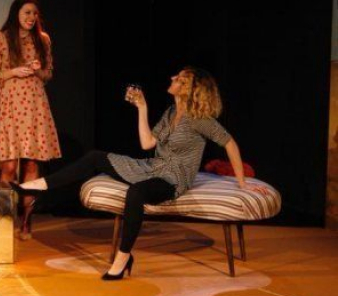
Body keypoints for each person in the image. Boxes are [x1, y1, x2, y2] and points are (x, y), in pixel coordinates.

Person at [14, 67, 269, 279]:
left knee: (136, 193)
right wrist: (142, 107)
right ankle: (40, 185)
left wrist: (242, 183)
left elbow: (230, 143)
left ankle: (123, 257)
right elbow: (147, 144)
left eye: (179, 79)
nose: (172, 78)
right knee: (95, 157)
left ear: (190, 89)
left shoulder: (199, 119)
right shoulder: (171, 113)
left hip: (174, 179)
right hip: (152, 166)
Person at [0, 0, 61, 240]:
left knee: (31, 164)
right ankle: (2, 219)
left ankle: (26, 222)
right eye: (27, 12)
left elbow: (48, 73)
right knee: (8, 166)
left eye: (34, 13)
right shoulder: (1, 38)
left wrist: (38, 70)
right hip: (10, 104)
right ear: (16, 13)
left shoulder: (43, 39)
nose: (31, 18)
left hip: (34, 105)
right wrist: (13, 72)